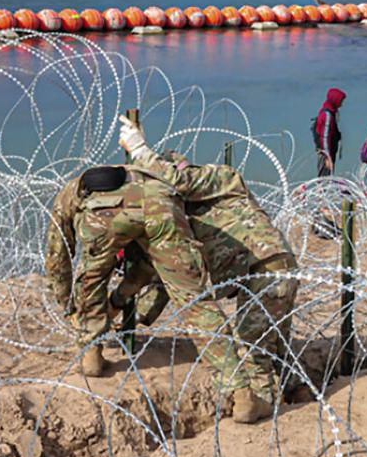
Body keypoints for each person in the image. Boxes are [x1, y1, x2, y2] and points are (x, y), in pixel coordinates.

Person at [45, 158, 277, 423]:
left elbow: (57, 257)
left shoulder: (68, 196)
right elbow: (149, 267)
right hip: (162, 206)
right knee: (195, 302)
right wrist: (121, 299)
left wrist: (69, 308)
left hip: (103, 213)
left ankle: (91, 355)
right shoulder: (142, 177)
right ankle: (241, 394)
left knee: (91, 279)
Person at [315, 87, 346, 177]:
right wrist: (327, 157)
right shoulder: (327, 115)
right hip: (325, 153)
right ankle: (322, 191)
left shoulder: (329, 111)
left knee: (326, 177)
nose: (341, 104)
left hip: (326, 152)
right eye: (341, 101)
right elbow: (325, 137)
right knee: (325, 178)